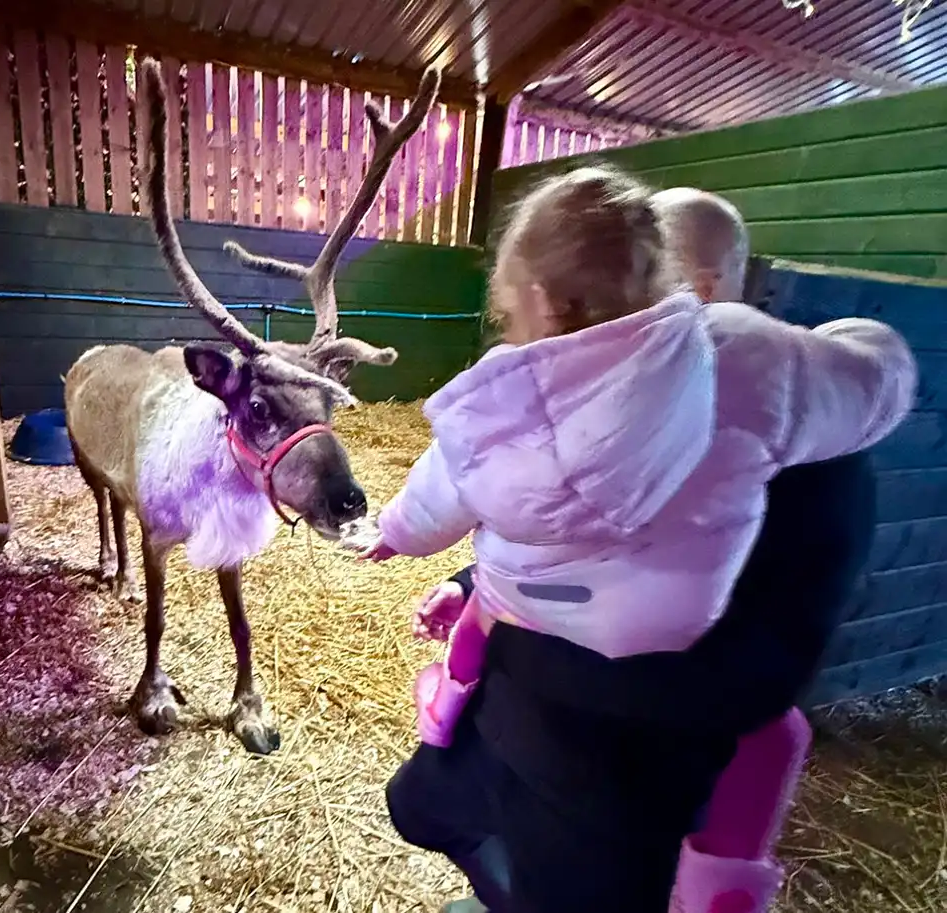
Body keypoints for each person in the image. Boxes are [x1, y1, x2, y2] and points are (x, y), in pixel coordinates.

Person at [351, 174, 916, 913]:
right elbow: (549, 530)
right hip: (540, 727)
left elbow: (748, 669)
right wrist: (471, 586)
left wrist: (500, 623)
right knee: (428, 810)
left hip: (614, 767)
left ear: (698, 289)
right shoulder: (763, 390)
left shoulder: (807, 467)